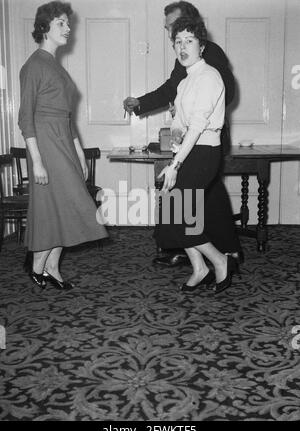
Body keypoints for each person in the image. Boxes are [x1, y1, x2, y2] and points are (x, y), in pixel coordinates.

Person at [123, 1, 242, 267]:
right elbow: (171, 90)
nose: (172, 35)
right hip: (191, 139)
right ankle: (200, 253)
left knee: (204, 196)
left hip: (206, 138)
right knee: (197, 198)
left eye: (175, 28)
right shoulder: (187, 62)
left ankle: (225, 252)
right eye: (169, 31)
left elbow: (227, 92)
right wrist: (141, 103)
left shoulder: (210, 55)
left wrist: (201, 110)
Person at [18, 1, 108, 290]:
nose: (68, 28)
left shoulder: (55, 65)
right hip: (45, 143)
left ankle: (52, 266)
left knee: (65, 205)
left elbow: (68, 119)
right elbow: (25, 118)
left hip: (63, 141)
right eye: (61, 23)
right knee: (72, 204)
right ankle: (37, 265)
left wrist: (80, 155)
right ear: (45, 27)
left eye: (68, 23)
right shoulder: (33, 65)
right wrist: (37, 160)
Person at [153, 15, 240, 294]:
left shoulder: (210, 76)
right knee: (171, 211)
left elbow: (199, 125)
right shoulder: (184, 82)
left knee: (177, 216)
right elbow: (180, 127)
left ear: (202, 46)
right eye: (178, 41)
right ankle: (200, 268)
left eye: (189, 40)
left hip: (205, 154)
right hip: (190, 152)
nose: (182, 47)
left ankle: (218, 260)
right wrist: (174, 151)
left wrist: (176, 164)